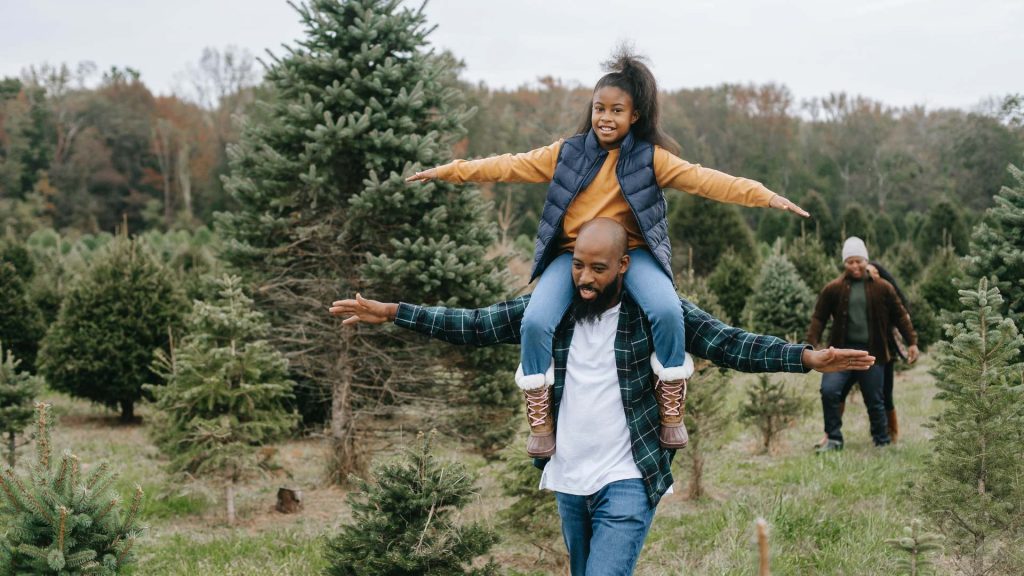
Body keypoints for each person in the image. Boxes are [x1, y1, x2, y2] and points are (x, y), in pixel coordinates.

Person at [331, 218, 873, 575]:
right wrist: (394, 312)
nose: (584, 278)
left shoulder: (653, 316)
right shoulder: (551, 314)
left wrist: (806, 357)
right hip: (570, 477)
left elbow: (728, 342)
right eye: (577, 266)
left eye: (597, 268)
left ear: (623, 267)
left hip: (628, 477)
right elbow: (473, 324)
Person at [405, 50, 808, 458]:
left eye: (617, 110)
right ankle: (540, 419)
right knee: (534, 322)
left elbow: (707, 181)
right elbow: (506, 166)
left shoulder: (651, 160)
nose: (606, 117)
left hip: (634, 253)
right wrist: (447, 170)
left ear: (635, 116)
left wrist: (766, 196)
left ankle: (671, 403)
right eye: (599, 108)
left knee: (668, 312)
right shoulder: (566, 153)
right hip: (572, 255)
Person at [806, 237, 919, 453]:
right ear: (844, 263)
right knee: (829, 391)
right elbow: (818, 318)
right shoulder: (833, 289)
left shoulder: (883, 288)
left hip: (872, 355)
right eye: (850, 262)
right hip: (838, 355)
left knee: (875, 399)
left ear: (866, 261)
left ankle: (881, 440)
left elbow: (900, 316)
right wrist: (811, 345)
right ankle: (833, 439)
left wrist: (912, 341)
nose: (855, 266)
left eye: (858, 261)